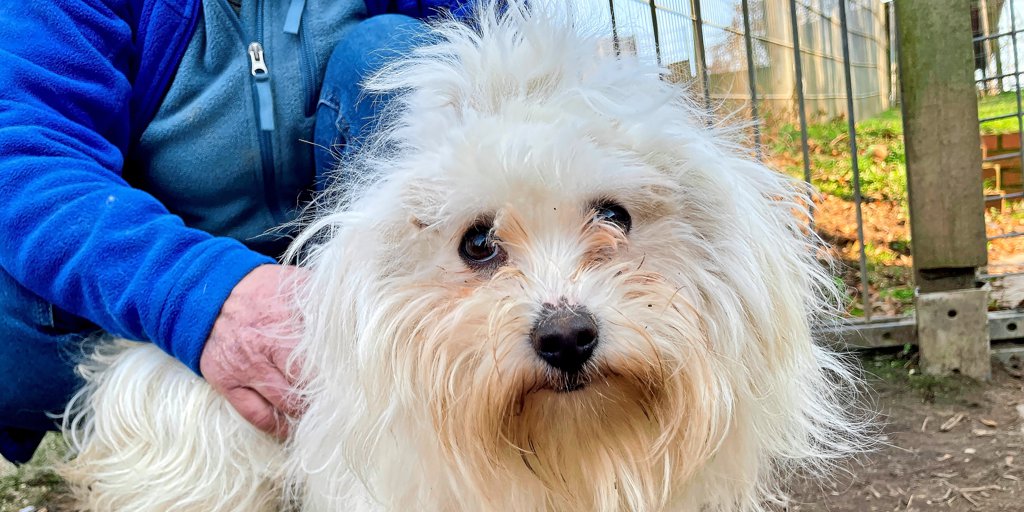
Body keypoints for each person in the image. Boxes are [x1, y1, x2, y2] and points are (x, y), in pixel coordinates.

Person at [0, 0, 475, 464]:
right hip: (145, 285)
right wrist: (203, 294)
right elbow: (25, 154)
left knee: (398, 53)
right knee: (16, 279)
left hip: (336, 291)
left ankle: (405, 421)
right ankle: (168, 428)